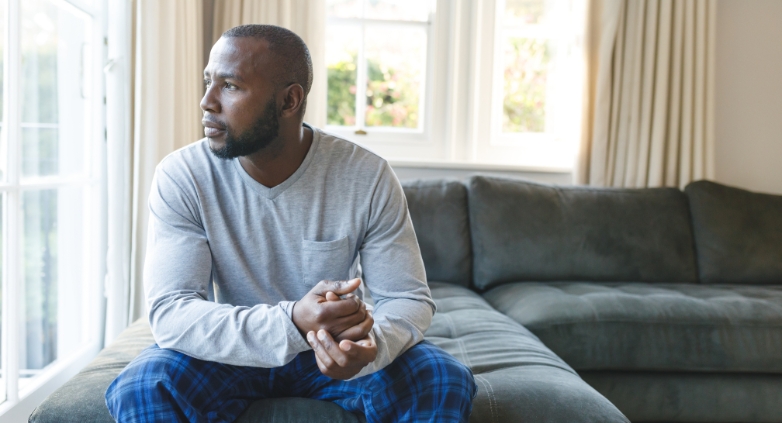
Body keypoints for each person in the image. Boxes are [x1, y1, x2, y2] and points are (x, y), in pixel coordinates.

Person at [105, 24, 476, 422]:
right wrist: (292, 320)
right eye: (208, 81)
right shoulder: (182, 175)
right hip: (232, 350)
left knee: (442, 379)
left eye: (230, 85)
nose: (207, 102)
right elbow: (171, 311)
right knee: (141, 386)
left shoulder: (366, 175)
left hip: (332, 351)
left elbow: (408, 297)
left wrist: (372, 346)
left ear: (289, 101)